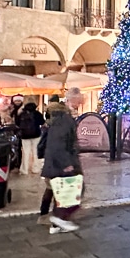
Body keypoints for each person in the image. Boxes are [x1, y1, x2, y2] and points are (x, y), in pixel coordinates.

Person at [41, 96, 83, 234]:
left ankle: (56, 225)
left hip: (53, 164)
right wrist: (67, 164)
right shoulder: (64, 120)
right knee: (76, 190)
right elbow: (59, 145)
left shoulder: (56, 120)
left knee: (59, 193)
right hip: (61, 164)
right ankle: (59, 218)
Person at [16, 101, 45, 175]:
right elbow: (42, 122)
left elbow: (17, 123)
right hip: (36, 135)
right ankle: (36, 169)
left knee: (25, 152)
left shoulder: (22, 114)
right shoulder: (37, 114)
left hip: (24, 136)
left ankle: (24, 170)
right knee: (36, 152)